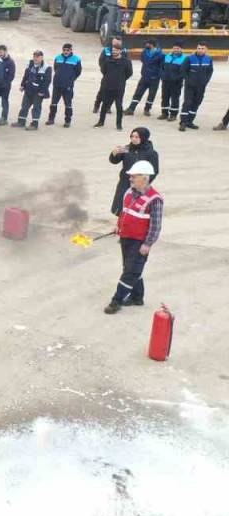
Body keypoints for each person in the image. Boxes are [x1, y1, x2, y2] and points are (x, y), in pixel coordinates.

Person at [104, 160, 162, 314]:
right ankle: (137, 297)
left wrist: (148, 244)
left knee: (130, 272)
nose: (130, 178)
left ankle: (116, 300)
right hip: (125, 238)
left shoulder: (155, 199)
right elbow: (124, 213)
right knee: (130, 269)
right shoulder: (128, 192)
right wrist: (118, 226)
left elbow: (155, 226)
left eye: (133, 176)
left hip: (140, 242)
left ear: (144, 178)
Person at [108, 127, 159, 216]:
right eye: (132, 136)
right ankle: (120, 225)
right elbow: (114, 161)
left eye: (137, 137)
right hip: (124, 183)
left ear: (143, 138)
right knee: (121, 206)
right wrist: (114, 154)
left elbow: (154, 171)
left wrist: (143, 183)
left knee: (134, 208)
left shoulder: (151, 153)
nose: (133, 139)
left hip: (140, 185)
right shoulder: (126, 148)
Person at [95, 39, 133, 131]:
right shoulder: (107, 61)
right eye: (113, 50)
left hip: (119, 88)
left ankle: (119, 124)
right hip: (107, 86)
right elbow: (104, 71)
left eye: (116, 50)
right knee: (104, 105)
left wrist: (121, 80)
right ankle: (101, 122)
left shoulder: (126, 62)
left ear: (120, 51)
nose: (114, 52)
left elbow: (129, 73)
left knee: (119, 106)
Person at [12, 50, 52, 130]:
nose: (35, 58)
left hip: (38, 92)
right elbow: (26, 76)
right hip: (28, 90)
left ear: (41, 57)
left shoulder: (47, 67)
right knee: (24, 106)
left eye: (37, 56)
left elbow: (47, 81)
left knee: (36, 108)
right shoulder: (30, 64)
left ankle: (34, 124)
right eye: (34, 56)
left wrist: (42, 92)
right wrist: (22, 85)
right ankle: (21, 122)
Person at [179, 42, 213, 131]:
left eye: (202, 48)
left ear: (206, 49)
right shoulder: (189, 58)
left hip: (201, 86)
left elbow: (210, 71)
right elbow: (183, 70)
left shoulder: (209, 59)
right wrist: (188, 80)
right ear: (196, 48)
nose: (200, 50)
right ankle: (183, 122)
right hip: (190, 86)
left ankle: (189, 122)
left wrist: (206, 81)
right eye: (199, 48)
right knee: (187, 103)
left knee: (196, 103)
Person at [126, 40, 163, 116]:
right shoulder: (144, 52)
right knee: (138, 93)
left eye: (147, 44)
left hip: (154, 79)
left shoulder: (161, 55)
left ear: (152, 45)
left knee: (151, 95)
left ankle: (147, 109)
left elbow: (162, 66)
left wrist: (157, 75)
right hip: (144, 77)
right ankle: (131, 109)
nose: (146, 45)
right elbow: (143, 61)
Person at [48, 43, 81, 128]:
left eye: (68, 50)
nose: (66, 52)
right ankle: (51, 119)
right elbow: (55, 68)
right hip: (57, 85)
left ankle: (67, 121)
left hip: (68, 86)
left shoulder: (76, 59)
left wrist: (71, 79)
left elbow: (78, 72)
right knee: (53, 103)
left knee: (68, 104)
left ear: (71, 50)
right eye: (64, 50)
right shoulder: (58, 58)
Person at [158, 42, 187, 122]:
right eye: (174, 48)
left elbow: (184, 71)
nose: (176, 50)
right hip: (166, 81)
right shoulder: (167, 56)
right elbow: (161, 67)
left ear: (181, 49)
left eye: (178, 48)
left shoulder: (184, 59)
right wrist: (162, 76)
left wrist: (177, 78)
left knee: (175, 98)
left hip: (176, 83)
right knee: (164, 97)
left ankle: (173, 115)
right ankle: (164, 113)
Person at [0, 45, 16, 126]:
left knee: (4, 102)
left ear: (5, 51)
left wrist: (4, 83)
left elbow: (11, 76)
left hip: (5, 87)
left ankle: (4, 118)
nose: (0, 54)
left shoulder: (10, 62)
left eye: (1, 52)